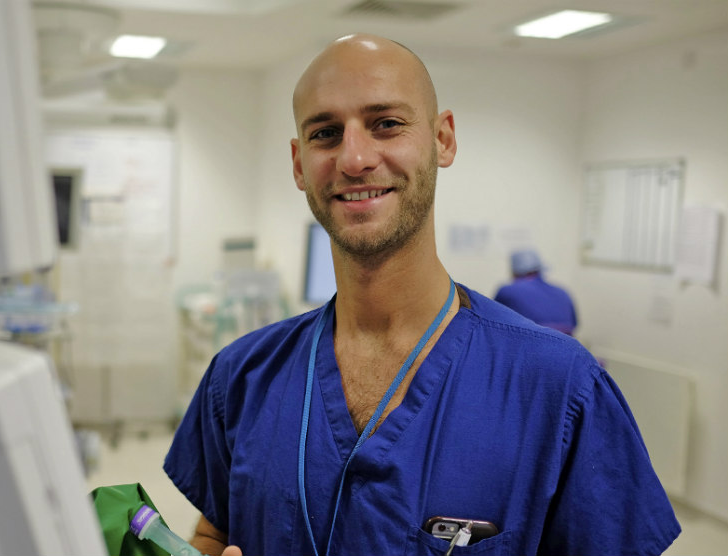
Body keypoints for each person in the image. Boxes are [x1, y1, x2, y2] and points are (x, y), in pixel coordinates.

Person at [164, 33, 680, 556]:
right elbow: (214, 532)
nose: (356, 158)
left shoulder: (559, 388)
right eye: (326, 133)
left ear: (443, 139)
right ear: (299, 164)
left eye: (386, 123)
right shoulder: (242, 378)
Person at [493, 248, 578, 335]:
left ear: (514, 272)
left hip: (529, 344)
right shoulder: (562, 292)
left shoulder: (507, 291)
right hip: (566, 346)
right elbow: (575, 324)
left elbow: (491, 321)